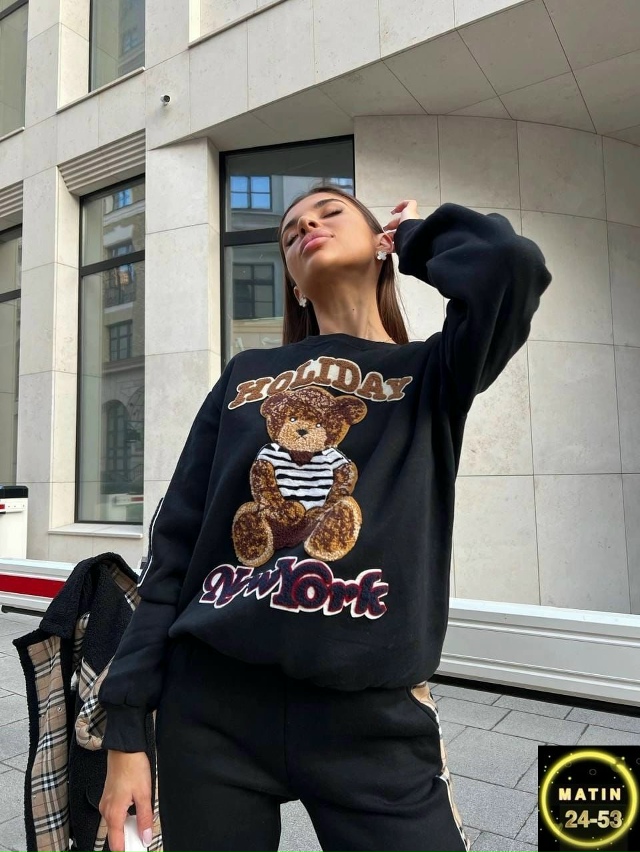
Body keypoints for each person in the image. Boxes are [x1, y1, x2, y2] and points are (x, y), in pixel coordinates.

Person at [98, 186, 552, 852]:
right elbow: (174, 550)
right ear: (294, 285)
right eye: (290, 233)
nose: (307, 223)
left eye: (330, 212)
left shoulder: (432, 371)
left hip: (370, 718)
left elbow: (510, 265)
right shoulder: (246, 375)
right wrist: (126, 730)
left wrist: (416, 236)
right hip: (210, 707)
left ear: (379, 244)